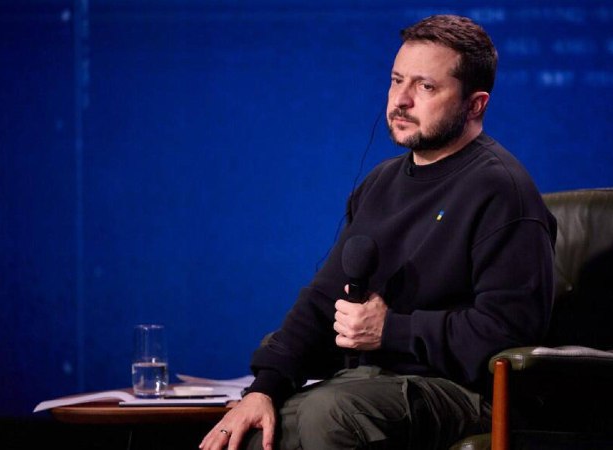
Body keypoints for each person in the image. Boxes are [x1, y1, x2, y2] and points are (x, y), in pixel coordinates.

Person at [200, 14, 556, 450]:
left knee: (328, 414)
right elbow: (324, 300)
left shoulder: (501, 190)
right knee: (253, 429)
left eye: (426, 87)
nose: (401, 100)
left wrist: (392, 331)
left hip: (467, 393)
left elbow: (509, 331)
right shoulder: (380, 183)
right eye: (396, 80)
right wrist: (264, 389)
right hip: (375, 382)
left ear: (475, 104)